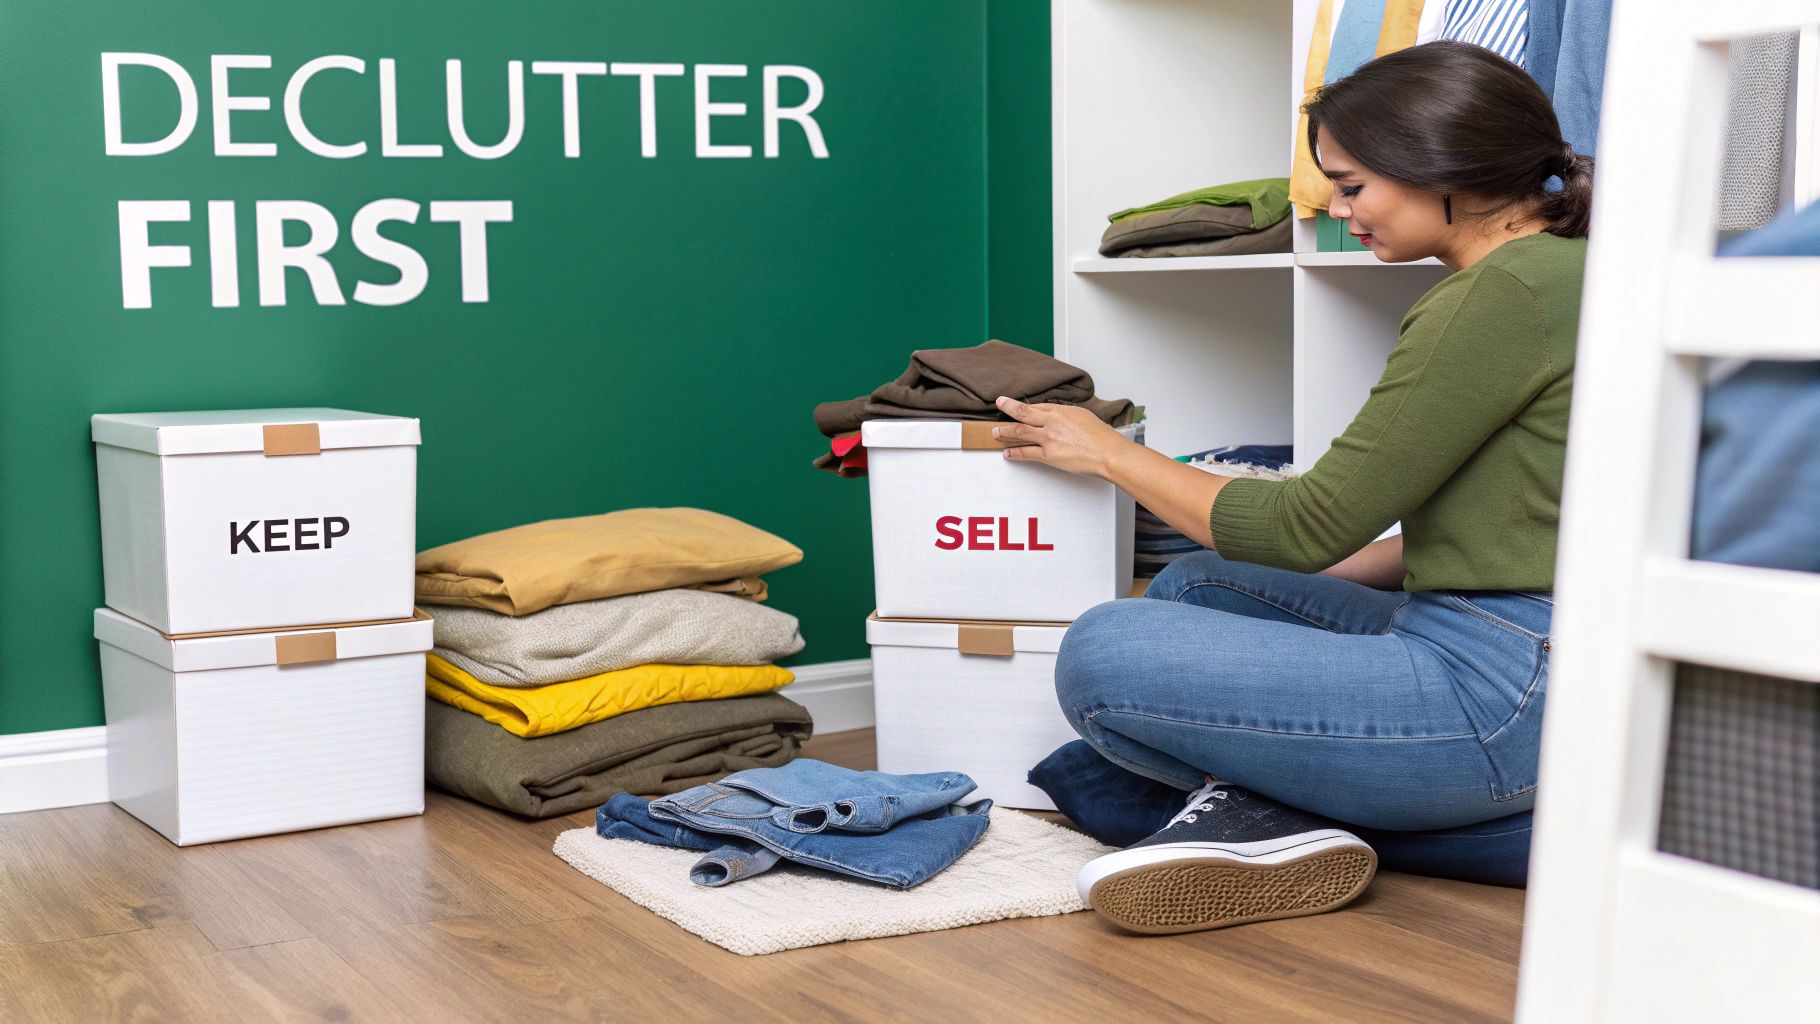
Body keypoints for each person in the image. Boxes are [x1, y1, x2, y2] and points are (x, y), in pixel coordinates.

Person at [994, 42, 1592, 935]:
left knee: (1102, 655)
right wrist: (1290, 598)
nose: (1339, 212)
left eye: (1351, 186)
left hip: (1503, 689)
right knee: (1201, 586)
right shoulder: (1569, 272)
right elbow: (1526, 515)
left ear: (1442, 170)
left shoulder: (1497, 297)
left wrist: (1110, 454)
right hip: (1547, 645)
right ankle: (1302, 814)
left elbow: (1302, 527)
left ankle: (1441, 831)